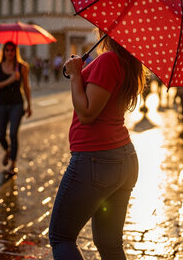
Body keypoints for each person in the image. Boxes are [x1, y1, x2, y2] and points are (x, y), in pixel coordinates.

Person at [48, 34, 144, 259]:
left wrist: (74, 75)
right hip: (122, 158)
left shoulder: (109, 60)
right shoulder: (126, 62)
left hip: (97, 159)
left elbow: (87, 113)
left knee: (61, 236)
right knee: (109, 244)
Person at [0, 42, 32, 176]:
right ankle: (8, 151)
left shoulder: (22, 67)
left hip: (17, 104)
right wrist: (10, 79)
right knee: (1, 135)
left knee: (13, 134)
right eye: (7, 50)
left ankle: (13, 164)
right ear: (4, 52)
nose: (9, 52)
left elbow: (26, 86)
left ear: (15, 51)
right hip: (1, 104)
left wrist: (29, 105)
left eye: (12, 50)